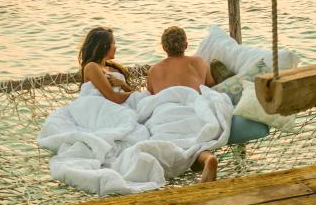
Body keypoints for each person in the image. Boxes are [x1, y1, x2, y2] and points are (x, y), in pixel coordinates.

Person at [147, 26, 218, 183]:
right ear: (186, 45)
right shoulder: (199, 62)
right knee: (198, 144)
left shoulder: (154, 70)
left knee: (165, 144)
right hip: (192, 109)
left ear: (164, 48)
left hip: (166, 114)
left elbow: (152, 97)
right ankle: (207, 159)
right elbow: (210, 87)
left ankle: (167, 177)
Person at [78, 27, 132, 103]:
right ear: (105, 46)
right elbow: (114, 98)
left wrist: (123, 84)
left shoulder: (113, 68)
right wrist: (135, 94)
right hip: (100, 106)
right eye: (113, 43)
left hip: (121, 104)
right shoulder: (92, 67)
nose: (116, 47)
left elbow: (128, 92)